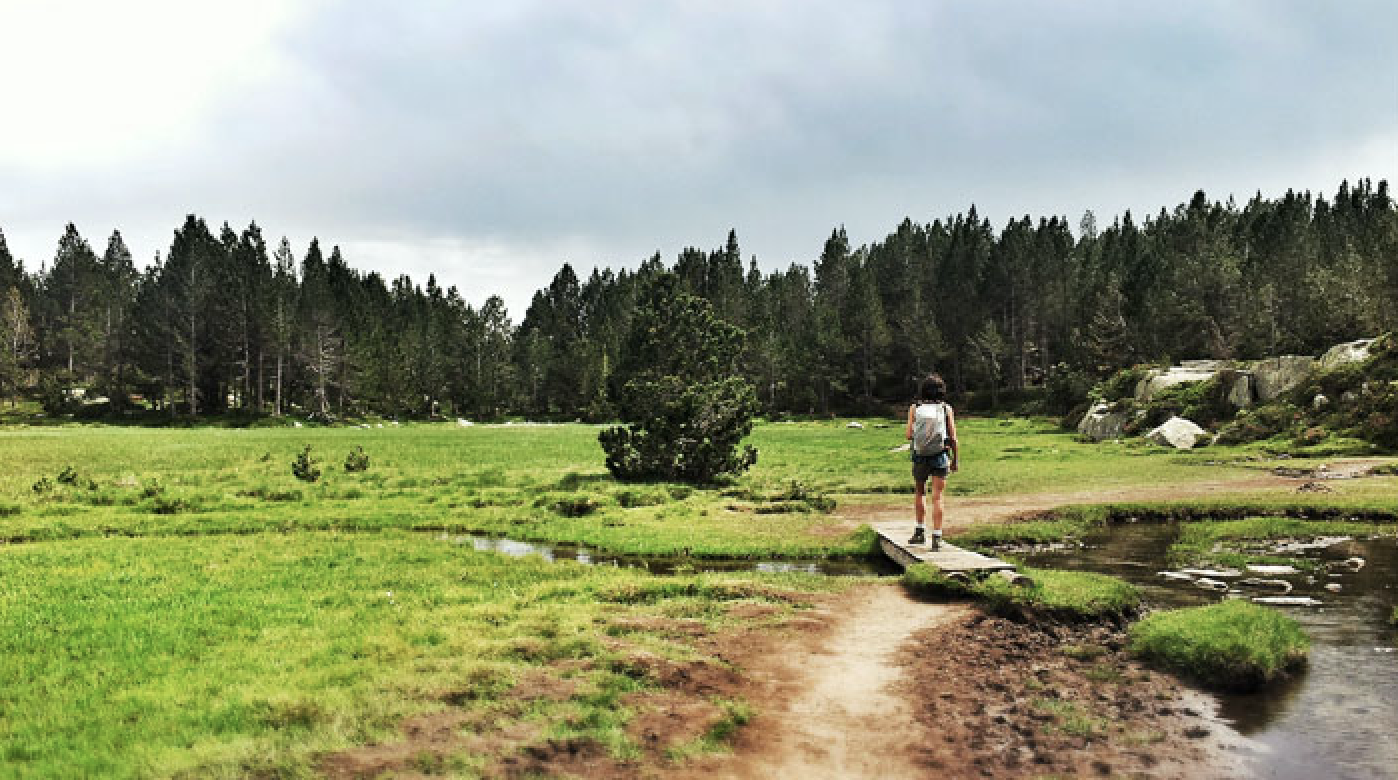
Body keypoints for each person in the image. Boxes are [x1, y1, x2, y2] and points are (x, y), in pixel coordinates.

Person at [906, 374, 958, 550]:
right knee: (938, 496)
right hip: (940, 455)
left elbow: (908, 435)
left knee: (920, 492)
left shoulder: (915, 407)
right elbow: (953, 438)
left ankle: (919, 531)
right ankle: (937, 537)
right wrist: (955, 460)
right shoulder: (945, 409)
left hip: (920, 456)